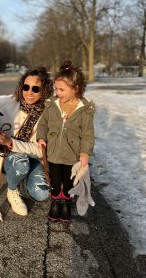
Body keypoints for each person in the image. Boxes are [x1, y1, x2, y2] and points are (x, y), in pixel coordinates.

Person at [0, 67, 54, 216]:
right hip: (5, 156)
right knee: (20, 163)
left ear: (44, 91)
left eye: (36, 89)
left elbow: (39, 150)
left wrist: (10, 142)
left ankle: (19, 178)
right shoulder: (6, 102)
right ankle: (12, 190)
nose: (29, 92)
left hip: (31, 158)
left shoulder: (48, 114)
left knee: (41, 193)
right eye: (26, 87)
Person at [37, 60, 95, 222]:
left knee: (68, 182)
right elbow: (43, 124)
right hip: (54, 154)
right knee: (55, 180)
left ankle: (66, 204)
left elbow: (87, 134)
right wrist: (41, 137)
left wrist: (84, 152)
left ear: (76, 89)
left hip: (72, 155)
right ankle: (55, 202)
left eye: (62, 89)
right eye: (56, 88)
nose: (58, 92)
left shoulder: (84, 110)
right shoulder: (52, 105)